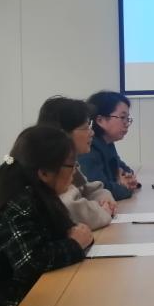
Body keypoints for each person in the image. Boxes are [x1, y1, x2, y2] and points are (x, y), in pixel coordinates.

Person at [0, 126, 94, 306]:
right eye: (71, 166)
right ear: (44, 173)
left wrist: (72, 234)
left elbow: (49, 237)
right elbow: (31, 262)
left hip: (34, 294)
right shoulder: (17, 201)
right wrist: (74, 244)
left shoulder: (37, 192)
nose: (74, 172)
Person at [38, 96, 118, 229]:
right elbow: (73, 209)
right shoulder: (51, 166)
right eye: (86, 127)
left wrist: (105, 198)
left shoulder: (69, 161)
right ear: (63, 133)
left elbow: (88, 189)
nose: (92, 133)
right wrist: (103, 211)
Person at [79, 91, 139, 200]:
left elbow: (124, 169)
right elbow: (100, 190)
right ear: (100, 120)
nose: (127, 123)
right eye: (122, 117)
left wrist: (128, 177)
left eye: (127, 118)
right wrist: (123, 187)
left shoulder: (107, 142)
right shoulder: (88, 148)